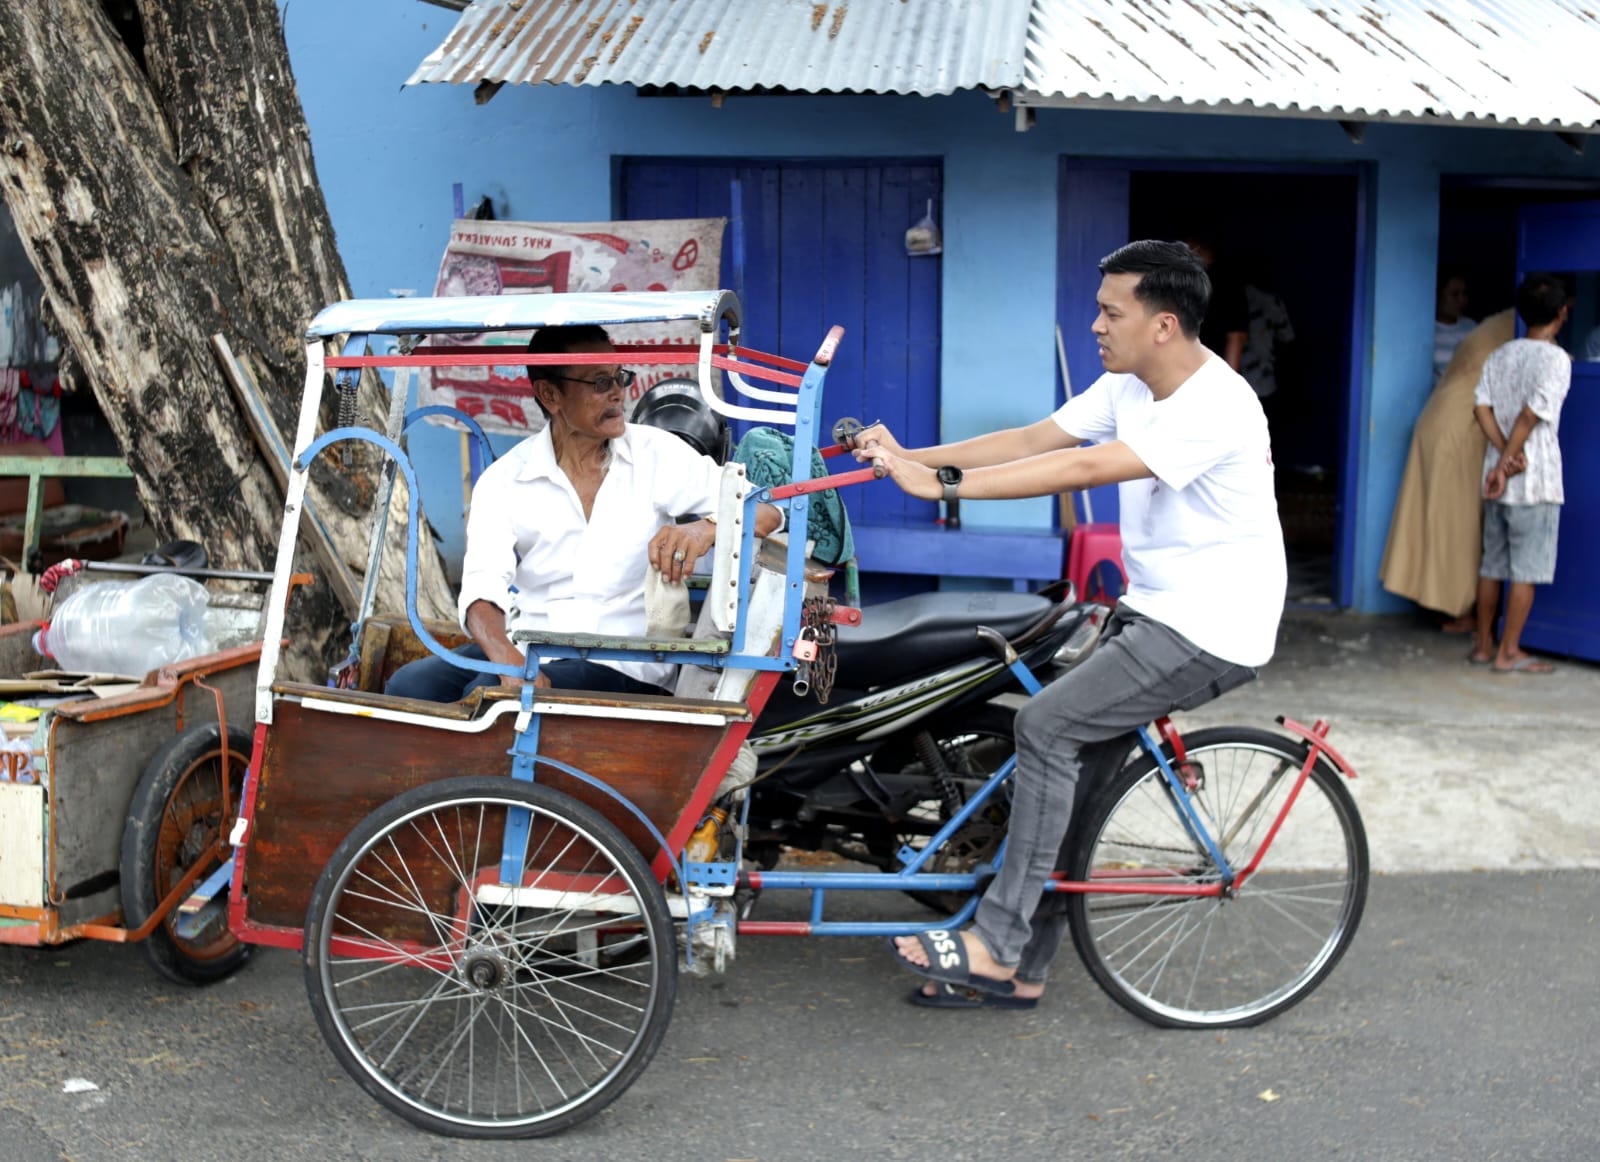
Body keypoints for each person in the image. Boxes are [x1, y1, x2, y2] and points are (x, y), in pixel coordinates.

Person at [858, 240, 1285, 1004]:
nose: (1094, 324)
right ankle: (1023, 969)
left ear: (1161, 324)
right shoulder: (1129, 384)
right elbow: (1033, 440)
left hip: (1212, 625)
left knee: (1047, 728)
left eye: (1109, 311)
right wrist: (908, 456)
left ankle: (995, 942)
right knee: (1078, 769)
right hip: (1157, 607)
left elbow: (1084, 469)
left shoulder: (1214, 405)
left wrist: (943, 488)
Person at [385, 324, 782, 702]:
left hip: (627, 660)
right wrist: (510, 661)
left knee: (485, 695)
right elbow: (481, 591)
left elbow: (770, 512)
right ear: (550, 395)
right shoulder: (507, 479)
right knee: (411, 686)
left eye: (619, 378)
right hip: (536, 642)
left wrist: (706, 528)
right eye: (599, 383)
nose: (617, 395)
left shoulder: (656, 454)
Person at [1379, 309, 1516, 631]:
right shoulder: (1516, 330)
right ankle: (1460, 610)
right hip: (1461, 428)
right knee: (1459, 523)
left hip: (1439, 419)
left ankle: (1441, 602)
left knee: (1434, 517)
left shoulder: (1490, 326)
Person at [1469, 274, 1571, 675]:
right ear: (1562, 314)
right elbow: (1531, 416)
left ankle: (1482, 646)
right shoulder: (1557, 359)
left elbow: (1481, 409)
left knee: (1492, 565)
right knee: (1526, 571)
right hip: (1535, 481)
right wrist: (1510, 459)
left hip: (1497, 481)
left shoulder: (1502, 354)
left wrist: (1500, 458)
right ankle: (1508, 653)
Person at [1184, 235, 1248, 371]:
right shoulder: (1185, 280)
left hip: (1205, 372)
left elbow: (1235, 337)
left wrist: (1228, 385)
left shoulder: (1227, 283)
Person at [1433, 272, 1476, 384]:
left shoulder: (1472, 327)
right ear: (1438, 296)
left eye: (1464, 294)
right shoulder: (1428, 330)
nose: (1462, 300)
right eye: (1455, 294)